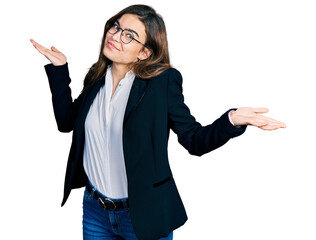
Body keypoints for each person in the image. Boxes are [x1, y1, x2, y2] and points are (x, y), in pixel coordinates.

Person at [30, 4, 286, 240]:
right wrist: (60, 69)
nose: (116, 35)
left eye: (129, 35)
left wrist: (230, 120)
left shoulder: (162, 83)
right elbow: (66, 122)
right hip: (96, 210)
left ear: (144, 52)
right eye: (116, 26)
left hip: (144, 214)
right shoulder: (96, 77)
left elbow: (194, 140)